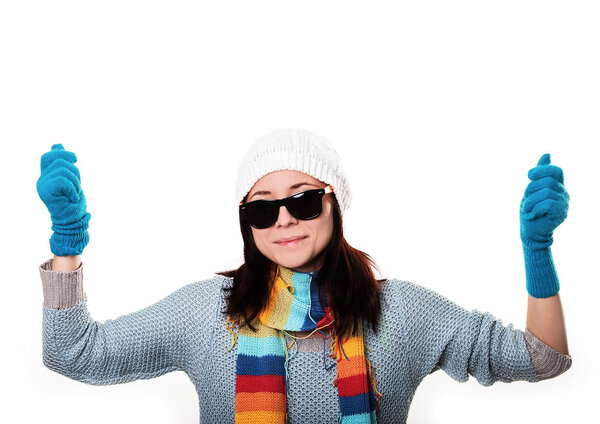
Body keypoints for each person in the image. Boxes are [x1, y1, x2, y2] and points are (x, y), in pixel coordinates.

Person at [36, 128, 572, 424]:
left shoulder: (405, 312)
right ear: (247, 225)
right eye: (262, 208)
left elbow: (543, 358)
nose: (284, 218)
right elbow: (75, 353)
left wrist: (537, 252)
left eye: (304, 200)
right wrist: (67, 245)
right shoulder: (206, 311)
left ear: (336, 206)